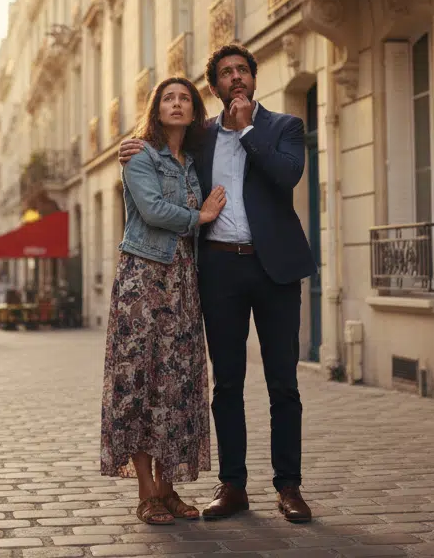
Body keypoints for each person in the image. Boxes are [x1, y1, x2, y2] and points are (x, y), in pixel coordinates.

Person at [118, 44, 316, 524]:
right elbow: (164, 158)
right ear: (215, 87)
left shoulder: (283, 127)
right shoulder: (201, 136)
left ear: (253, 77)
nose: (236, 78)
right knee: (226, 383)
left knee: (282, 383)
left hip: (275, 271)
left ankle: (288, 487)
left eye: (242, 70)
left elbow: (287, 175)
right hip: (219, 269)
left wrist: (248, 129)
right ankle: (233, 486)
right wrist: (133, 147)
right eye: (226, 73)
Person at [101, 76, 226, 526]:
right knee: (138, 382)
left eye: (184, 99)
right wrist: (201, 215)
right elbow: (153, 211)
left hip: (183, 285)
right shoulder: (139, 155)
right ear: (156, 109)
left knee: (176, 385)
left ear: (194, 111)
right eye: (168, 98)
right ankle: (146, 492)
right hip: (143, 281)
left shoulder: (193, 161)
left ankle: (170, 488)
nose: (176, 104)